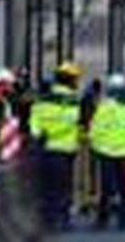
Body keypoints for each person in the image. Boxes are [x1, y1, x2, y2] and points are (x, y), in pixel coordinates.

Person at [30, 62, 82, 231]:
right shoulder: (72, 100)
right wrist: (53, 135)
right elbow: (71, 122)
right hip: (65, 149)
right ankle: (64, 220)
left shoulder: (43, 98)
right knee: (64, 187)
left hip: (45, 149)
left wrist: (39, 135)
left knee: (47, 185)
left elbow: (34, 119)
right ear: (71, 80)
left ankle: (48, 220)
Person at [89, 73, 125, 231]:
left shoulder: (105, 107)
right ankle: (123, 220)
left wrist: (95, 147)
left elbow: (96, 129)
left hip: (108, 151)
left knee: (107, 189)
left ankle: (103, 220)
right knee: (124, 188)